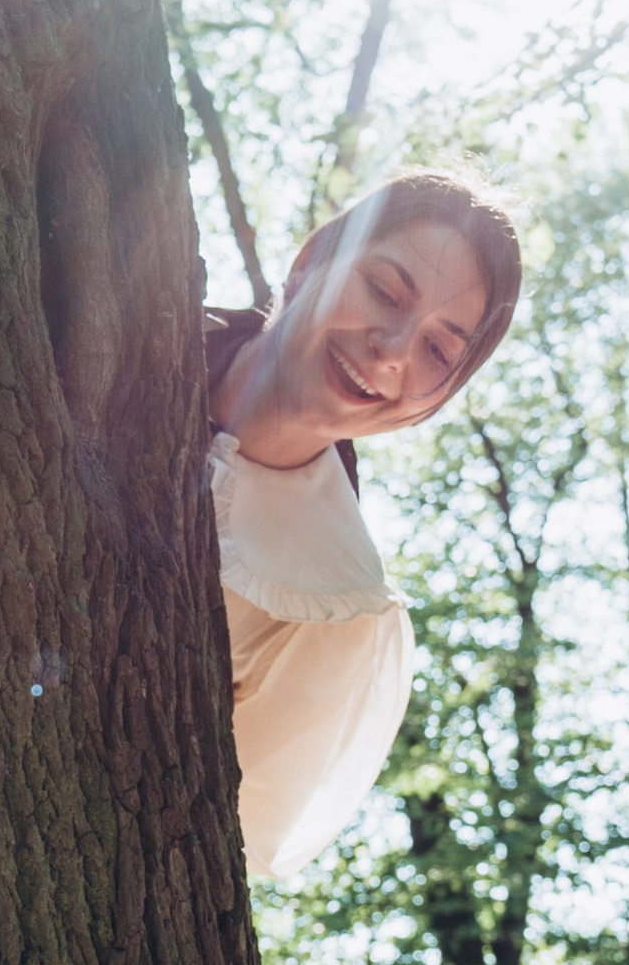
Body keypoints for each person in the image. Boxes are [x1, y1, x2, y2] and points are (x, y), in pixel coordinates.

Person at [203, 172, 524, 882]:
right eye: (384, 290)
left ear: (434, 401)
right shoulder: (107, 316)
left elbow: (216, 858)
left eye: (439, 352)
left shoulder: (334, 612)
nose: (391, 350)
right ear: (312, 259)